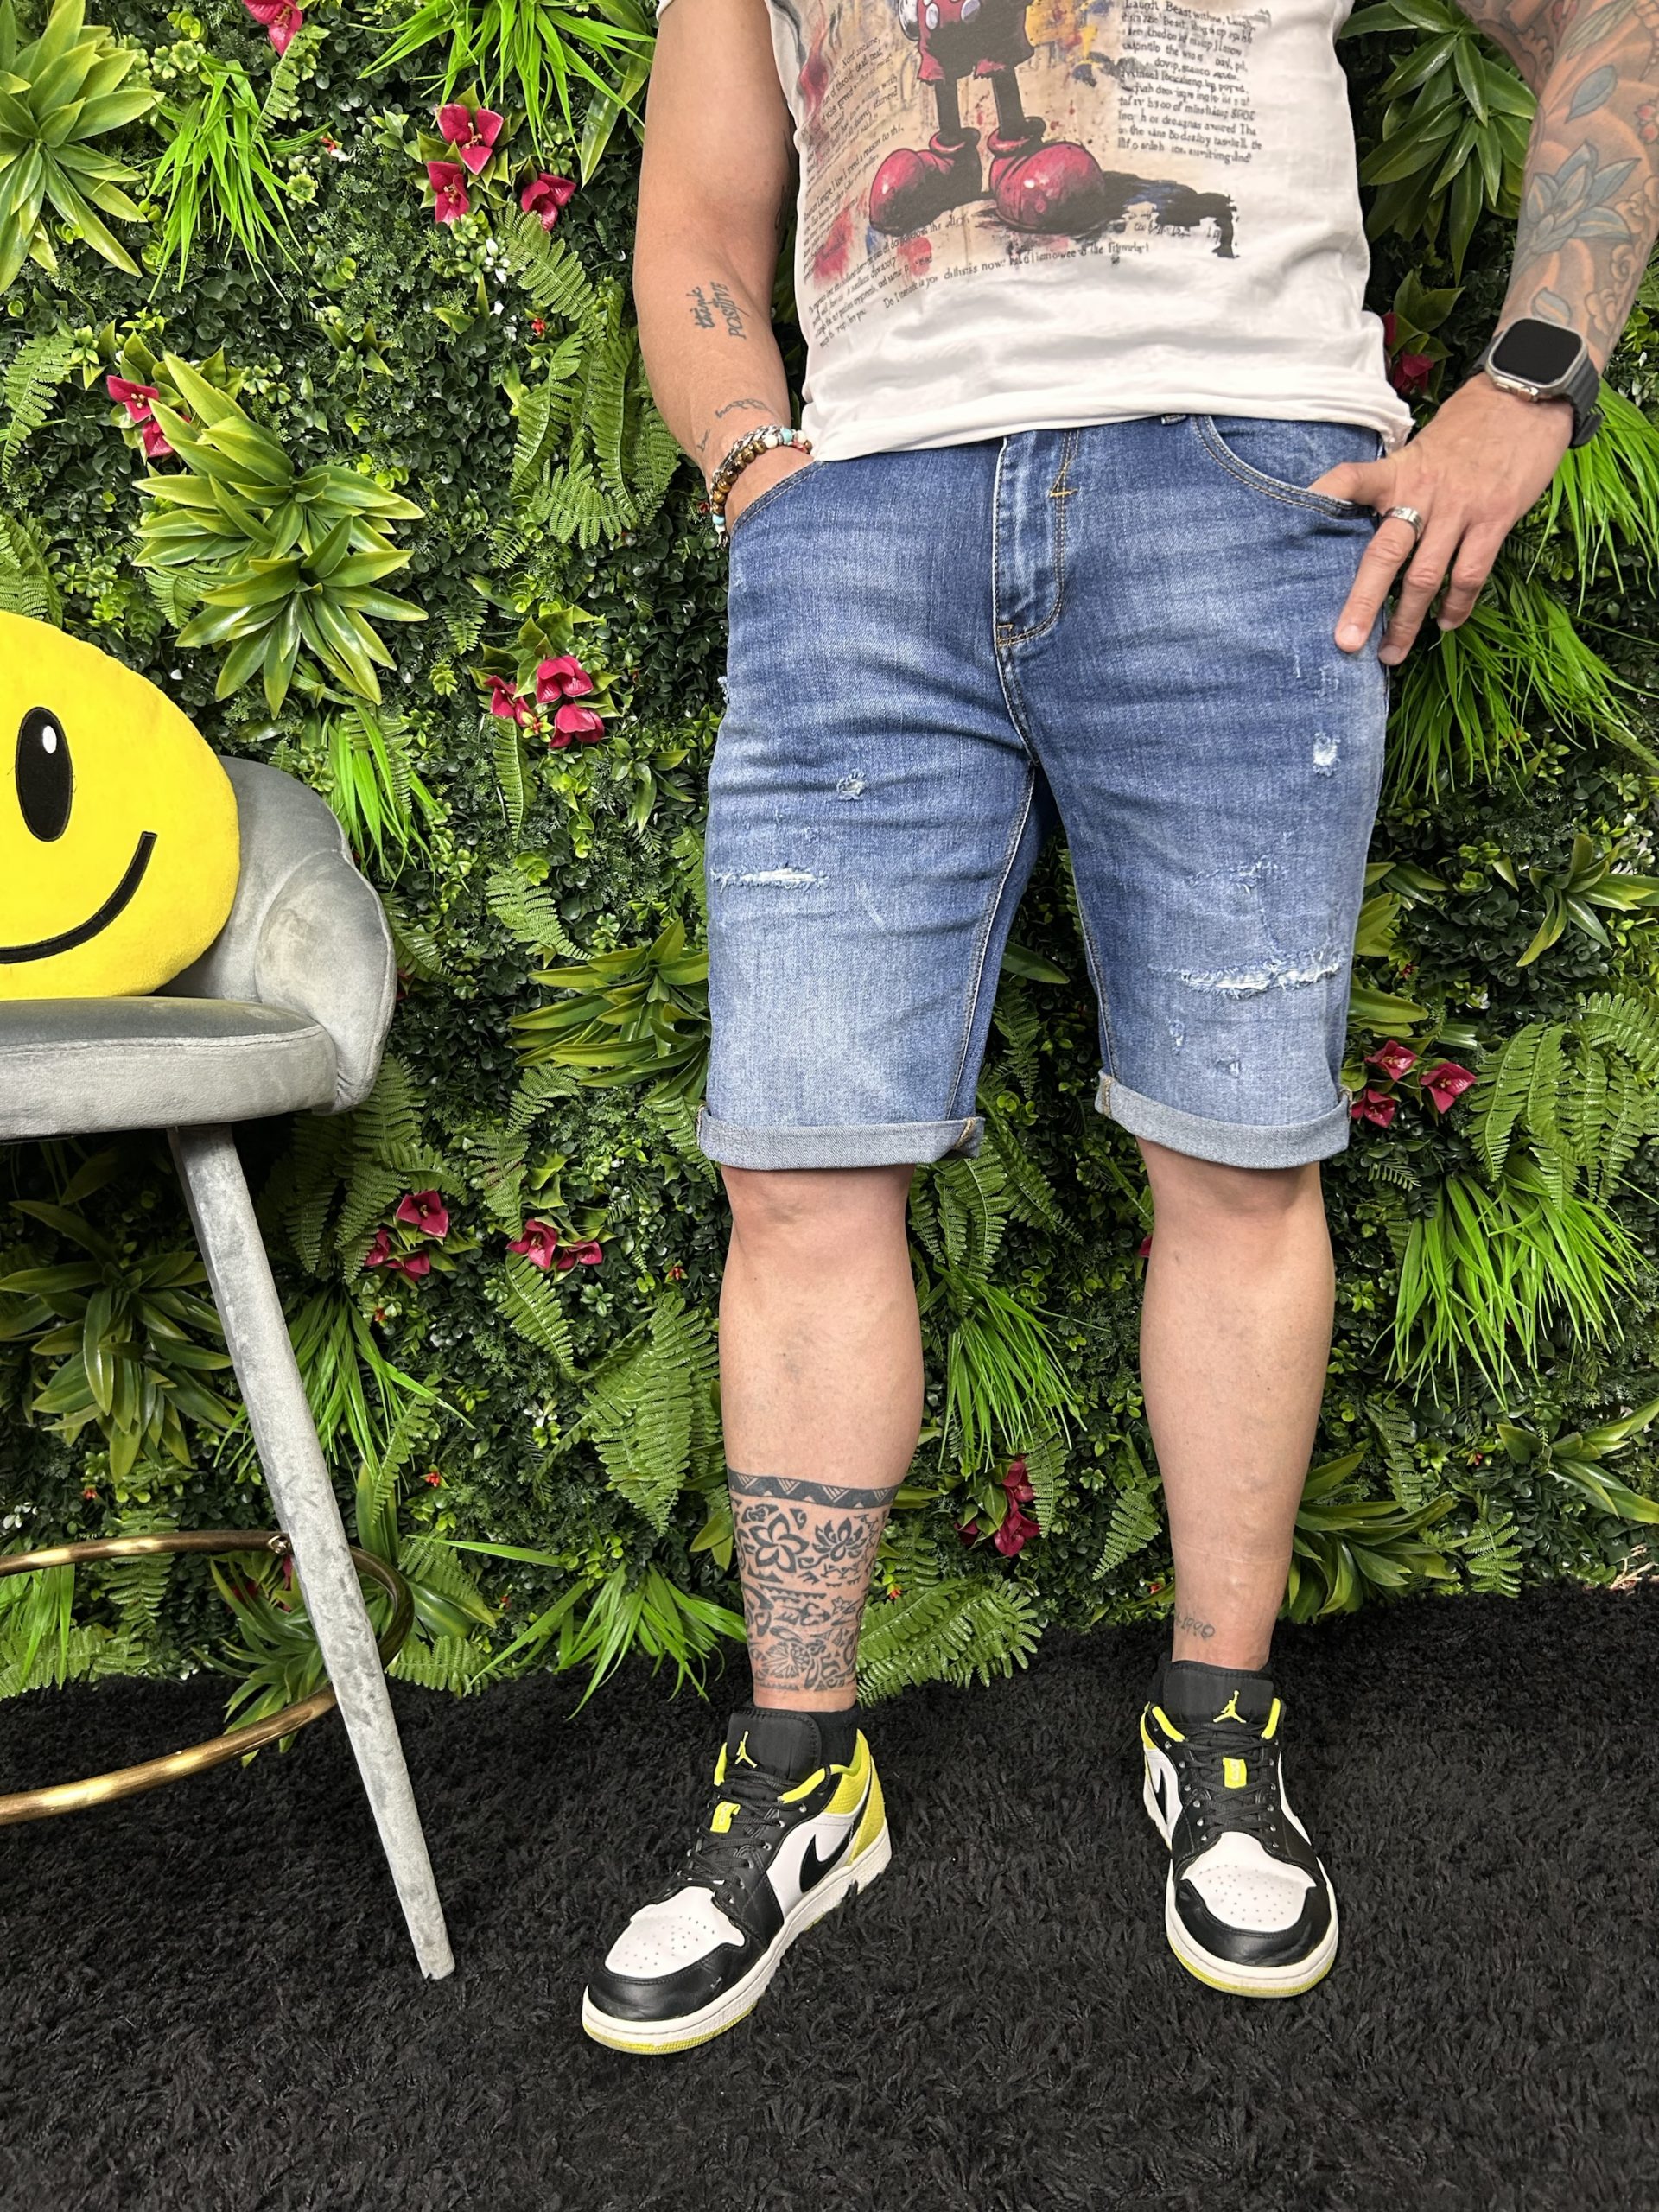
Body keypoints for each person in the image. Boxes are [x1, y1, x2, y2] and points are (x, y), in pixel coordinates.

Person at [582, 0, 1657, 2054]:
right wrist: (757, 472)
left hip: (1239, 487)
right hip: (857, 521)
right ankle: (801, 1769)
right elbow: (702, 207)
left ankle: (1217, 1729)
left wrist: (1532, 378)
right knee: (795, 1167)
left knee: (1237, 1153)